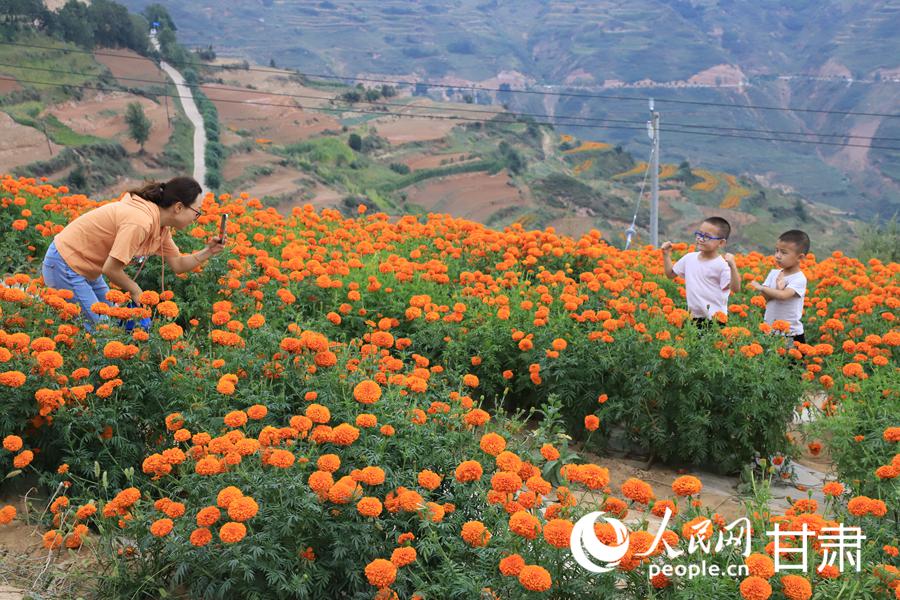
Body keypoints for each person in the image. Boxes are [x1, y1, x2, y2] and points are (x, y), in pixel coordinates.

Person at [41, 176, 226, 330]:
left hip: (88, 269)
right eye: (196, 212)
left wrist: (209, 251)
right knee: (103, 330)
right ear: (178, 207)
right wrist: (136, 291)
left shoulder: (161, 227)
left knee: (115, 321)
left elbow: (178, 264)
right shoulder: (140, 222)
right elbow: (111, 269)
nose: (196, 218)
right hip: (65, 264)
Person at [661, 216, 740, 326]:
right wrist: (666, 255)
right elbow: (670, 274)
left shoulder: (722, 265)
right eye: (699, 234)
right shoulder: (689, 258)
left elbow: (735, 289)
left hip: (715, 320)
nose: (700, 239)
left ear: (721, 243)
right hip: (693, 319)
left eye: (706, 237)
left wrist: (733, 267)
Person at [749, 230, 809, 345]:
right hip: (769, 331)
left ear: (800, 257)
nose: (777, 256)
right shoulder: (773, 273)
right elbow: (765, 298)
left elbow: (783, 295)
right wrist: (776, 289)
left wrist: (762, 288)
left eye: (784, 253)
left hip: (790, 334)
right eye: (776, 251)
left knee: (789, 357)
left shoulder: (799, 278)